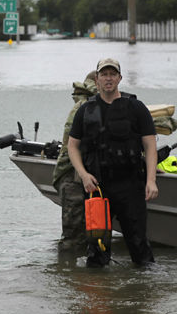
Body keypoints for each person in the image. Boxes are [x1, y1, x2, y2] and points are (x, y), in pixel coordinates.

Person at [67, 58, 158, 267]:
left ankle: (144, 293)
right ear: (97, 79)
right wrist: (83, 175)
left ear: (119, 78)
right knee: (97, 247)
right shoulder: (85, 110)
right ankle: (98, 295)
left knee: (139, 246)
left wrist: (151, 181)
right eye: (104, 74)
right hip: (97, 187)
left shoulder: (136, 107)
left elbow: (150, 146)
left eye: (112, 74)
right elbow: (72, 147)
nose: (108, 78)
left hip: (131, 185)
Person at [53, 71, 98, 251]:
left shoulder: (92, 105)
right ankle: (67, 273)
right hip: (72, 177)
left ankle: (74, 275)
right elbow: (73, 146)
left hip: (83, 176)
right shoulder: (83, 107)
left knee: (90, 234)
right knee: (73, 238)